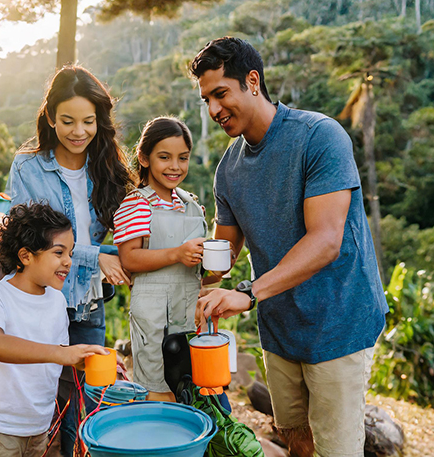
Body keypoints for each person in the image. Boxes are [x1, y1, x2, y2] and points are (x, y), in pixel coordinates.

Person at [190, 37, 389, 457]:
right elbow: (221, 255)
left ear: (253, 81)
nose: (213, 110)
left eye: (221, 94)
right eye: (206, 99)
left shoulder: (319, 137)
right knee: (294, 437)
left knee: (337, 448)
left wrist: (246, 293)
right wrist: (168, 264)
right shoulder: (228, 170)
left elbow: (325, 242)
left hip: (339, 324)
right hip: (280, 330)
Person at [4, 65, 134, 455]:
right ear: (50, 117)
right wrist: (97, 256)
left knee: (86, 396)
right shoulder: (28, 167)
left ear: (100, 121)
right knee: (39, 395)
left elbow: (133, 219)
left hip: (88, 301)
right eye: (68, 121)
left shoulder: (107, 166)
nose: (79, 131)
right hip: (41, 297)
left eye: (88, 121)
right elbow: (30, 236)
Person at [0, 203, 108, 457]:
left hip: (40, 427)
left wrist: (87, 359)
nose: (68, 262)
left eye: (70, 252)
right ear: (26, 256)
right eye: (59, 253)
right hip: (1, 429)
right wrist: (60, 354)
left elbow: (57, 352)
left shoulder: (57, 301)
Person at [114, 116, 207, 402]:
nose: (175, 166)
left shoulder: (191, 204)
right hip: (154, 317)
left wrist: (213, 265)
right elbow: (129, 258)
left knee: (190, 389)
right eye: (164, 157)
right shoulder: (137, 204)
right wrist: (178, 254)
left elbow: (199, 271)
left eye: (183, 158)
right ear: (144, 158)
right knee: (158, 391)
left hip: (188, 311)